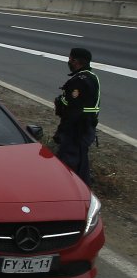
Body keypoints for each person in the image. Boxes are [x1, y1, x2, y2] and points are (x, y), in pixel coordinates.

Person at [53, 47, 101, 186]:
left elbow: (74, 110)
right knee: (81, 162)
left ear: (75, 61)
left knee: (68, 163)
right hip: (85, 128)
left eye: (70, 58)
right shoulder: (92, 77)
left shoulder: (79, 81)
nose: (68, 61)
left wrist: (61, 130)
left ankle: (68, 190)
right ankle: (82, 188)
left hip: (76, 130)